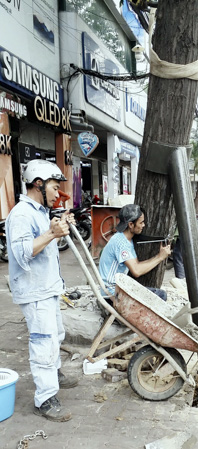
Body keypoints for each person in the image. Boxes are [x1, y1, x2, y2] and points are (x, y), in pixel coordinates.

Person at [5, 160, 78, 423]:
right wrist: (51, 233)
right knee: (43, 343)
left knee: (55, 335)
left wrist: (56, 228)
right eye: (55, 188)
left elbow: (45, 240)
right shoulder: (22, 214)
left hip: (47, 288)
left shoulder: (38, 211)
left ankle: (54, 373)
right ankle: (45, 399)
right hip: (34, 292)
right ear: (39, 183)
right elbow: (23, 252)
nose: (58, 194)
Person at [99, 204, 171, 300]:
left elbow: (136, 264)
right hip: (111, 294)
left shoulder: (124, 238)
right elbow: (136, 270)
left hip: (117, 290)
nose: (143, 225)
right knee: (161, 296)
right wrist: (160, 257)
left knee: (157, 294)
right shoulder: (121, 243)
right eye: (141, 223)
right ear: (131, 225)